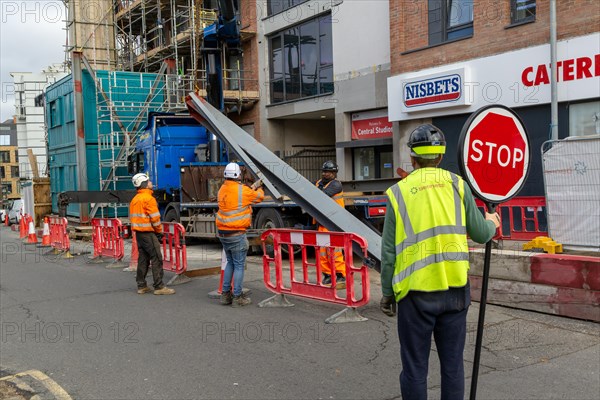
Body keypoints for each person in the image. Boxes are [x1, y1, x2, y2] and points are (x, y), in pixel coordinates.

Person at [379, 124, 501, 400]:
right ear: (441, 155)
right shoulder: (458, 185)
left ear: (412, 158)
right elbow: (481, 233)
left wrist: (387, 293)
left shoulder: (398, 193)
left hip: (415, 295)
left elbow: (388, 254)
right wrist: (491, 222)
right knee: (453, 367)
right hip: (456, 292)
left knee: (414, 369)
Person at [217, 162, 264, 307]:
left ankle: (225, 295)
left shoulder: (222, 189)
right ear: (238, 175)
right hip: (237, 233)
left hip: (223, 233)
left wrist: (251, 188)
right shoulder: (243, 191)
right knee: (239, 265)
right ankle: (237, 297)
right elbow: (258, 198)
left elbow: (239, 197)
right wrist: (259, 188)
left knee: (230, 262)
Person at [130, 173, 175, 295]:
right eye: (148, 181)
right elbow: (155, 218)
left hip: (139, 234)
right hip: (148, 233)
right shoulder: (149, 199)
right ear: (144, 184)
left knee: (143, 258)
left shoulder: (135, 199)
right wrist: (159, 231)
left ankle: (141, 285)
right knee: (157, 257)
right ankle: (159, 286)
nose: (150, 182)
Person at [315, 160, 346, 289]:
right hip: (322, 222)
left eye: (329, 172)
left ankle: (341, 275)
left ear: (334, 173)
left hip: (334, 222)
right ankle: (327, 274)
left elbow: (322, 195)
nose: (326, 174)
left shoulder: (336, 185)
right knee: (322, 251)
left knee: (335, 251)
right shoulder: (318, 183)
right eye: (324, 171)